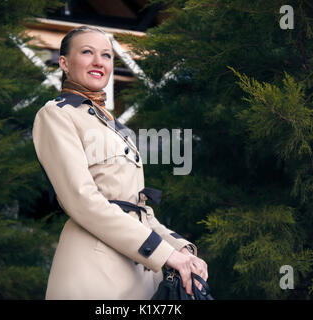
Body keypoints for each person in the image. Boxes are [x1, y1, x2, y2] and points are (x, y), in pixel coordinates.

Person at [32, 25, 208, 299]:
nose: (98, 61)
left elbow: (139, 210)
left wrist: (180, 248)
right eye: (87, 52)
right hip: (93, 275)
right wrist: (163, 253)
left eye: (106, 55)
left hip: (140, 275)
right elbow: (83, 201)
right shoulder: (56, 114)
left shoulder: (117, 128)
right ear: (64, 63)